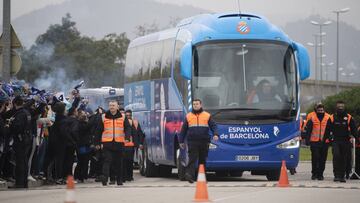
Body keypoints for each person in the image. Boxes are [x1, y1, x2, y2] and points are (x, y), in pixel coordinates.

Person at [179, 99, 219, 183]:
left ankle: (201, 178)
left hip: (204, 141)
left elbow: (214, 126)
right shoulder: (188, 116)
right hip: (192, 141)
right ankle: (189, 176)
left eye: (197, 104)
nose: (195, 105)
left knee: (202, 160)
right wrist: (181, 141)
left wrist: (216, 134)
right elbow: (183, 130)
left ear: (201, 105)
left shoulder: (207, 115)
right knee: (192, 159)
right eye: (194, 104)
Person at [95, 101, 131, 186]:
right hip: (107, 143)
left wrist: (127, 138)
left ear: (117, 106)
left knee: (119, 162)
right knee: (107, 161)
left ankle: (119, 180)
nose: (111, 107)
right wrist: (96, 142)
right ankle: (105, 178)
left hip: (119, 142)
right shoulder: (103, 116)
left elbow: (127, 128)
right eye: (110, 105)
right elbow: (98, 130)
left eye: (113, 105)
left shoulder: (123, 116)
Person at [324, 100, 358, 182]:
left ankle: (342, 176)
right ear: (336, 107)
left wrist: (357, 138)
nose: (340, 108)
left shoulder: (349, 117)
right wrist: (325, 139)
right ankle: (336, 175)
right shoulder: (332, 117)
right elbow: (327, 130)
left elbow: (354, 130)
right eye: (339, 107)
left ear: (344, 107)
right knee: (336, 156)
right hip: (335, 141)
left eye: (342, 107)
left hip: (345, 141)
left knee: (344, 158)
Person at [9, 96, 32, 188]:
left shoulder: (19, 114)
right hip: (26, 138)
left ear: (14, 104)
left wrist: (10, 125)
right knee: (24, 161)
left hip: (20, 139)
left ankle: (19, 183)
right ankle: (24, 182)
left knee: (20, 162)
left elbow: (18, 127)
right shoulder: (26, 112)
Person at [303, 103, 331, 180]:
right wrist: (307, 140)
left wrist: (331, 139)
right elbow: (308, 130)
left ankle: (320, 174)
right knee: (315, 158)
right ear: (316, 110)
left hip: (325, 141)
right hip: (314, 141)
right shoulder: (312, 118)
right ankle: (314, 173)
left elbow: (331, 129)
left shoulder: (328, 117)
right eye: (319, 110)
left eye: (322, 110)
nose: (320, 111)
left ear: (324, 110)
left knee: (323, 159)